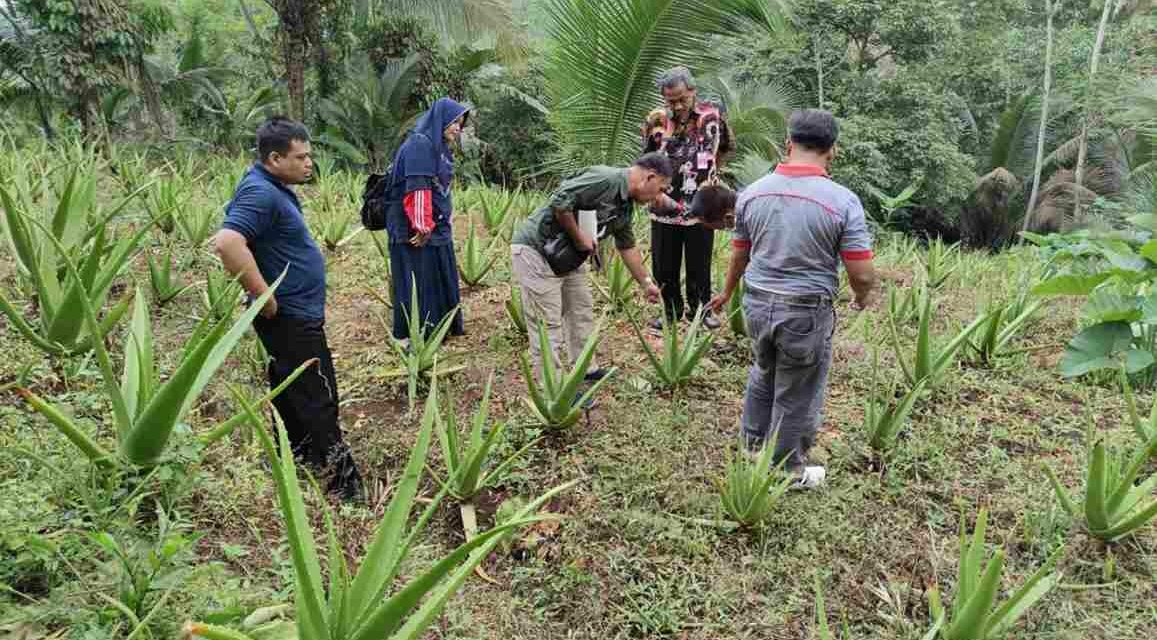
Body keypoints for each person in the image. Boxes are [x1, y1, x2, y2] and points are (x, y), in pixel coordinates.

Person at [708, 109, 878, 490]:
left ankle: (752, 450)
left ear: (789, 143)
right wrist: (862, 298)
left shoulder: (753, 192)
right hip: (804, 309)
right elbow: (862, 272)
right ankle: (785, 470)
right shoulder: (843, 201)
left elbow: (739, 253)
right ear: (832, 150)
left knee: (762, 371)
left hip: (757, 302)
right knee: (796, 387)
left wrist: (727, 292)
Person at [212, 116, 363, 501]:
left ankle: (299, 454)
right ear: (275, 158)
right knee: (317, 392)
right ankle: (342, 482)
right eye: (301, 157)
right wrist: (263, 294)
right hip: (291, 315)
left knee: (291, 385)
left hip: (293, 313)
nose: (309, 163)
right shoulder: (261, 193)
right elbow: (228, 242)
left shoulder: (268, 186)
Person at [510, 153, 670, 389]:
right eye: (660, 189)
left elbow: (627, 246)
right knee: (547, 323)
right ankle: (552, 389)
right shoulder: (604, 179)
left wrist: (646, 282)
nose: (659, 197)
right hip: (537, 251)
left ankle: (586, 369)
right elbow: (560, 201)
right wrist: (580, 236)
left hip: (569, 257)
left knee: (581, 311)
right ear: (650, 177)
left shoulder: (626, 205)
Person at [643, 66, 734, 331]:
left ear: (692, 91)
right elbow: (646, 159)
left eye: (682, 98)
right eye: (671, 100)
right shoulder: (656, 120)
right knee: (664, 263)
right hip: (663, 204)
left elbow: (726, 146)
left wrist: (711, 174)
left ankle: (701, 311)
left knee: (699, 262)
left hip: (701, 204)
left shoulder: (712, 116)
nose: (678, 105)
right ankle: (670, 312)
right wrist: (654, 190)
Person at [384, 97, 470, 342]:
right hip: (414, 229)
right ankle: (411, 337)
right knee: (416, 281)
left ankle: (436, 330)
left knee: (433, 276)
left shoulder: (437, 147)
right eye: (454, 122)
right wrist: (423, 226)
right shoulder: (420, 144)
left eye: (460, 124)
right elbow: (417, 187)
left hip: (435, 227)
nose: (457, 128)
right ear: (439, 120)